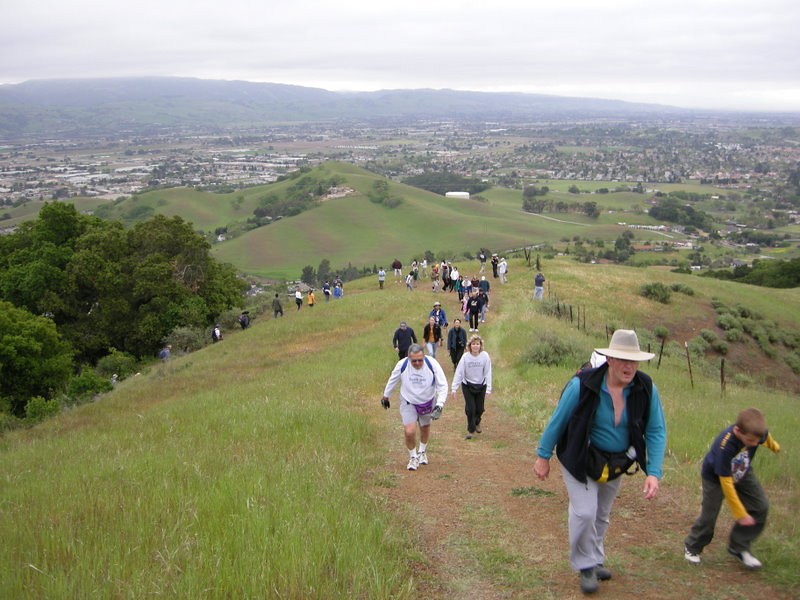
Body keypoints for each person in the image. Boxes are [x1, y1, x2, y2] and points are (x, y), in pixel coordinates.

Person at [533, 329, 667, 594]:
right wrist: (543, 456)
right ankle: (585, 566)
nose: (629, 366)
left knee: (601, 514)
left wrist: (654, 472)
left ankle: (594, 558)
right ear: (610, 360)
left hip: (616, 463)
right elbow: (558, 420)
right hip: (579, 458)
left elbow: (656, 430)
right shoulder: (582, 384)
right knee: (585, 512)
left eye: (634, 361)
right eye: (623, 360)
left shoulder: (645, 388)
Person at [683, 407, 781, 570]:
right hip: (716, 478)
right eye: (751, 441)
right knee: (709, 517)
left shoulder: (757, 434)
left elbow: (765, 437)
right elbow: (726, 484)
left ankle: (739, 546)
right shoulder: (726, 445)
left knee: (760, 506)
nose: (755, 444)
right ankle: (692, 546)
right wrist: (740, 514)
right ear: (737, 430)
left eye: (757, 441)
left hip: (742, 470)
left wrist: (774, 446)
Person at [380, 343, 449, 471]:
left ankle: (422, 451)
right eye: (414, 361)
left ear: (424, 356)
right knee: (409, 431)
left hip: (427, 401)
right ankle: (413, 457)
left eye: (420, 360)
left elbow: (443, 385)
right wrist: (385, 396)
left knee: (425, 427)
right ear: (408, 358)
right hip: (408, 401)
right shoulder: (402, 365)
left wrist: (439, 405)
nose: (417, 363)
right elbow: (393, 379)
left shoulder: (432, 364)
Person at [451, 334, 492, 439]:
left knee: (480, 409)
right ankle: (471, 430)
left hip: (481, 385)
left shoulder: (485, 356)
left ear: (480, 345)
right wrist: (454, 388)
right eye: (473, 344)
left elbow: (488, 372)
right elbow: (459, 372)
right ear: (470, 346)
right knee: (471, 409)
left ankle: (477, 421)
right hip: (467, 385)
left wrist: (488, 389)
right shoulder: (465, 357)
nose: (475, 346)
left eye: (477, 344)